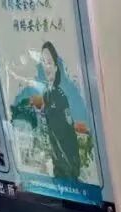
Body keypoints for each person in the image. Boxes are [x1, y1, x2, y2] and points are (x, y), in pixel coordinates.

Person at [40, 42, 81, 182]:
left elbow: (69, 133)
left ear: (56, 67)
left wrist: (72, 165)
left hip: (67, 165)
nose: (46, 67)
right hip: (56, 162)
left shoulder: (60, 97)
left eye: (49, 62)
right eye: (43, 62)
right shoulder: (46, 94)